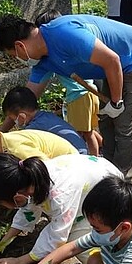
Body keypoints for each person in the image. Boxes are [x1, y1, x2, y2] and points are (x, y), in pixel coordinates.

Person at [0, 14, 132, 179]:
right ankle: (108, 172)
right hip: (113, 68)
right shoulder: (42, 62)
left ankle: (121, 179)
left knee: (125, 124)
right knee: (106, 120)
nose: (17, 59)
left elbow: (112, 60)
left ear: (20, 46)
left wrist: (116, 103)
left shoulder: (63, 33)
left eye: (13, 55)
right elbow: (23, 102)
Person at [0, 153, 122, 264]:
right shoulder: (31, 178)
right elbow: (28, 212)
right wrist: (1, 245)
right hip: (90, 186)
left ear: (17, 197)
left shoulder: (60, 195)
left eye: (0, 204)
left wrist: (19, 262)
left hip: (111, 198)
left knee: (80, 248)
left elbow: (56, 238)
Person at [34, 10, 103, 157]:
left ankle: (94, 159)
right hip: (91, 92)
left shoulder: (53, 56)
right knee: (89, 130)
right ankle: (102, 149)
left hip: (79, 97)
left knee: (83, 133)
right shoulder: (70, 48)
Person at [1, 86, 88, 155]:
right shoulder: (47, 116)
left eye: (13, 119)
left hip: (75, 159)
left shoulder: (33, 129)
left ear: (22, 116)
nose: (15, 123)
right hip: (83, 153)